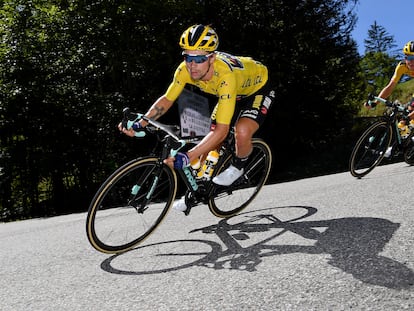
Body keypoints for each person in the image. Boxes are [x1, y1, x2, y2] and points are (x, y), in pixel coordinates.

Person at [119, 24, 275, 211]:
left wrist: (188, 156)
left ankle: (238, 167)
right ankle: (198, 190)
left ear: (212, 57)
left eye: (199, 58)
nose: (192, 65)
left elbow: (222, 130)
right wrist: (142, 122)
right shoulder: (184, 70)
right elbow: (168, 99)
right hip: (230, 94)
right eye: (187, 57)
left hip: (257, 90)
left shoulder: (225, 76)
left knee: (240, 131)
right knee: (207, 142)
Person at [365, 41, 414, 156]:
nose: (411, 61)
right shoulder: (402, 66)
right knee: (405, 119)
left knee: (410, 115)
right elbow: (390, 87)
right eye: (409, 57)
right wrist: (376, 101)